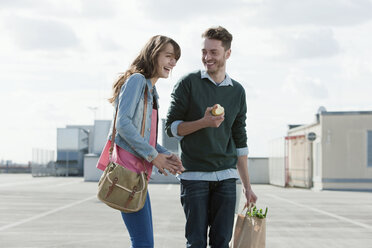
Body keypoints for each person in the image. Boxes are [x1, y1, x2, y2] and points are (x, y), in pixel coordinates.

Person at [165, 26, 257, 248]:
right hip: (194, 176)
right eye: (204, 51)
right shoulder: (188, 83)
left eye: (214, 52)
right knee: (195, 242)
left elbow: (240, 141)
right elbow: (171, 128)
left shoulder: (237, 91)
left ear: (227, 54)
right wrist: (204, 122)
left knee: (222, 242)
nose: (207, 57)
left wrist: (247, 186)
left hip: (226, 178)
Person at [104, 35, 184, 248]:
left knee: (143, 241)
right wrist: (153, 156)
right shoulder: (137, 81)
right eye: (168, 56)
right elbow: (123, 124)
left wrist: (164, 154)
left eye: (175, 58)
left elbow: (144, 136)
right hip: (128, 174)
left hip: (137, 176)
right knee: (143, 242)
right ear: (153, 54)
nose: (173, 63)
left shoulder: (151, 90)